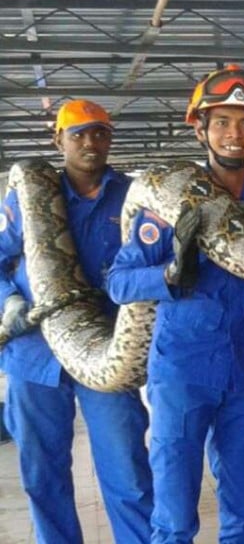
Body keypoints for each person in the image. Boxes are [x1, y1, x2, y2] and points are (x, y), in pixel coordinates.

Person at [106, 67, 244, 543]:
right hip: (179, 371)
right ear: (200, 128)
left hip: (242, 369)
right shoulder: (168, 202)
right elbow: (118, 282)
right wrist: (169, 277)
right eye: (221, 123)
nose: (233, 135)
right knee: (173, 517)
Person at [0, 99, 154, 543]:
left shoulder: (131, 196)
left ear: (110, 138)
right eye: (78, 134)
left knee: (127, 468)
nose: (90, 142)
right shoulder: (27, 196)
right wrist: (8, 300)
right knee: (42, 472)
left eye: (100, 132)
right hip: (34, 355)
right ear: (59, 140)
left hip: (104, 350)